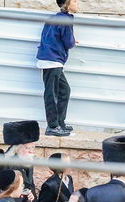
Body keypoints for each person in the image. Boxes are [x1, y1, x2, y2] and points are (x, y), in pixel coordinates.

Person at [37, 0, 77, 137]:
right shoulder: (66, 20)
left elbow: (52, 37)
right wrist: (72, 40)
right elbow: (69, 43)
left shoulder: (54, 18)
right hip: (52, 60)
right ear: (67, 4)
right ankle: (53, 127)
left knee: (64, 90)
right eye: (74, 1)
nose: (77, 3)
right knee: (51, 93)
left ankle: (60, 123)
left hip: (50, 59)